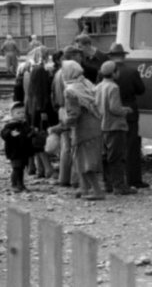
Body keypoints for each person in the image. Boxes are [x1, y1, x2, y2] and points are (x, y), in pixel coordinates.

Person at [62, 60, 105, 200]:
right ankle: (85, 188)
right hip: (95, 124)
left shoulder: (70, 90)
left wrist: (61, 126)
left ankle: (97, 191)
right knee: (86, 158)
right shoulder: (85, 83)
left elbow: (74, 113)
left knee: (85, 160)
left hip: (83, 129)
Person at [107, 43, 147, 188]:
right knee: (132, 146)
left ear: (111, 56)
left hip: (111, 114)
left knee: (113, 148)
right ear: (123, 56)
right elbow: (141, 90)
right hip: (130, 112)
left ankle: (113, 180)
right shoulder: (131, 71)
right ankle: (134, 179)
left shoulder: (104, 73)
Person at [95, 60, 136, 195]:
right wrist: (126, 110)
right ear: (113, 73)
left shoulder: (99, 86)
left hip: (102, 126)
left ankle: (108, 184)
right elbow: (114, 108)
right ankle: (119, 186)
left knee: (105, 157)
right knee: (117, 157)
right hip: (115, 126)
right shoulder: (113, 87)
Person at [50, 45, 82, 188]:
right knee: (75, 145)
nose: (81, 58)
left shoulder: (58, 72)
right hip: (69, 109)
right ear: (74, 56)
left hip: (61, 110)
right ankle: (75, 179)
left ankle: (64, 177)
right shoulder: (69, 73)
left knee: (65, 146)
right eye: (79, 55)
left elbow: (52, 94)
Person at [24, 46, 56, 179]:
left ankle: (38, 168)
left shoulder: (26, 71)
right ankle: (47, 168)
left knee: (35, 136)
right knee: (41, 138)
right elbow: (42, 91)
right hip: (39, 108)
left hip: (30, 107)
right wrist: (43, 110)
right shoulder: (40, 71)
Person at [2, 102, 36, 192]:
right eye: (18, 113)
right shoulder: (10, 125)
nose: (21, 115)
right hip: (14, 151)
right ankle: (15, 184)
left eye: (23, 113)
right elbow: (3, 133)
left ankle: (20, 184)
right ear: (12, 114)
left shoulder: (24, 124)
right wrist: (10, 134)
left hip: (23, 150)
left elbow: (27, 134)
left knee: (21, 167)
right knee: (17, 168)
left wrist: (32, 132)